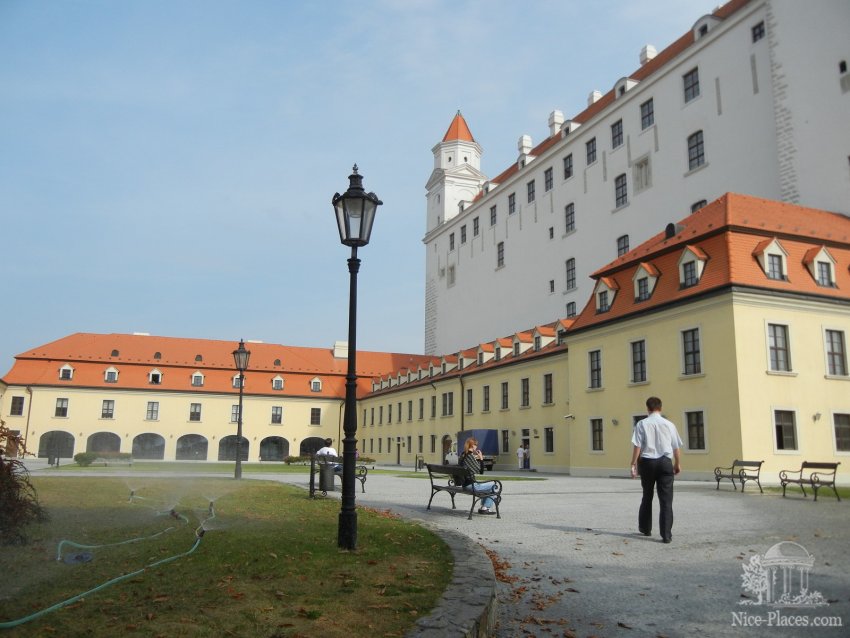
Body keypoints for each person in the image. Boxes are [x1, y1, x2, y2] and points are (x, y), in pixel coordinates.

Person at [629, 396, 683, 544]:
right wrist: (677, 463)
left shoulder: (642, 424)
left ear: (647, 408)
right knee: (666, 500)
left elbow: (637, 446)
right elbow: (676, 447)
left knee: (647, 495)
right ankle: (666, 535)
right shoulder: (669, 424)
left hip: (647, 463)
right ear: (661, 408)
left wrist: (633, 464)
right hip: (665, 462)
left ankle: (645, 528)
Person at [460, 438, 498, 515]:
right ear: (472, 445)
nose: (476, 447)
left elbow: (470, 465)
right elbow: (481, 471)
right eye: (476, 445)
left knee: (488, 488)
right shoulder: (470, 456)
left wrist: (475, 458)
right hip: (471, 486)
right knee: (493, 486)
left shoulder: (463, 454)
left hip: (464, 485)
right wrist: (481, 458)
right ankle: (485, 508)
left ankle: (484, 507)